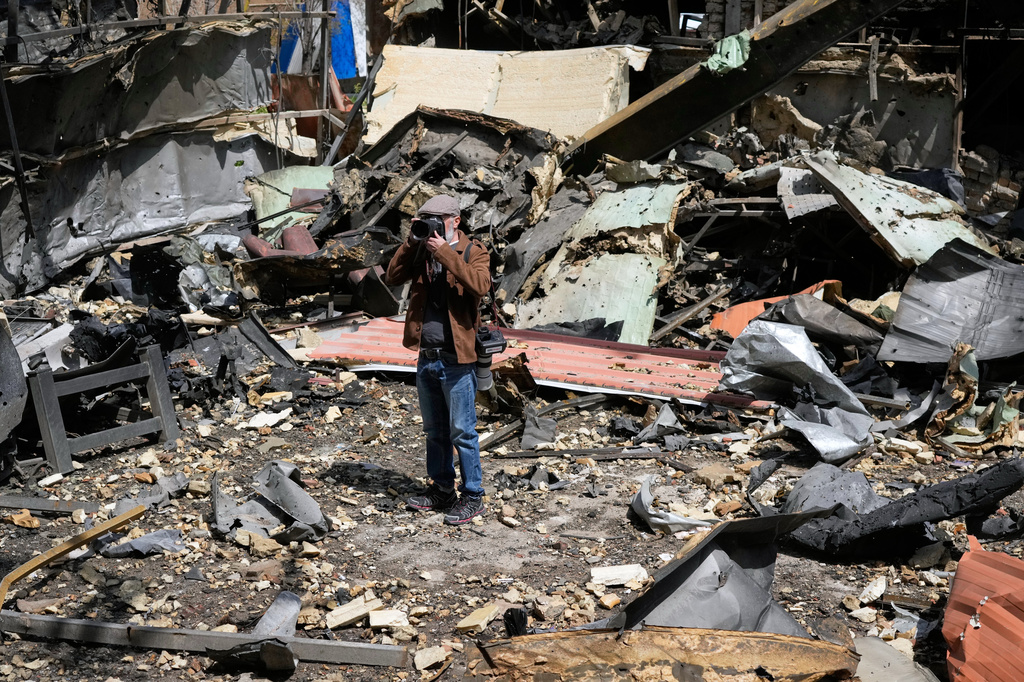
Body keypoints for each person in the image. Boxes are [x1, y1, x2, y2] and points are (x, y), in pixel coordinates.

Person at [385, 194, 491, 525]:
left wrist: (443, 252)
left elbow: (480, 285)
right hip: (426, 356)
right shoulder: (421, 249)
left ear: (454, 220)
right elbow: (392, 276)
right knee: (434, 430)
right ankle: (442, 488)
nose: (429, 224)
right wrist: (413, 241)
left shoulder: (474, 250)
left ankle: (473, 495)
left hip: (457, 358)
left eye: (435, 219)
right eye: (423, 218)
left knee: (462, 430)